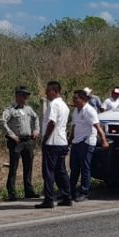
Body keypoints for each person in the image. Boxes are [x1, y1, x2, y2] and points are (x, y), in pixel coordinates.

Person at [0, 86, 41, 201]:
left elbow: (36, 118)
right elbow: (2, 122)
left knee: (28, 166)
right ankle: (12, 193)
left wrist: (36, 130)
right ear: (17, 96)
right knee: (13, 167)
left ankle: (29, 190)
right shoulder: (10, 109)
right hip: (16, 141)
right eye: (22, 95)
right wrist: (11, 135)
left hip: (27, 141)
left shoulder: (28, 109)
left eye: (26, 96)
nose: (25, 98)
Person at [69, 89, 109, 203]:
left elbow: (98, 127)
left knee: (85, 167)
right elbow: (74, 127)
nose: (74, 100)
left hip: (86, 142)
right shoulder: (76, 111)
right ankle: (70, 191)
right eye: (73, 98)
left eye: (76, 98)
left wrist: (104, 140)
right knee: (74, 167)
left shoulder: (90, 111)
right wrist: (69, 140)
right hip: (76, 142)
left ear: (83, 99)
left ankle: (84, 192)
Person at [36, 81, 72, 209]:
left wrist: (45, 138)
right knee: (61, 170)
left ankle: (49, 199)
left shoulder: (54, 104)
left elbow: (52, 122)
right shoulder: (65, 105)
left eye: (48, 90)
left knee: (49, 172)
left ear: (54, 91)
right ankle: (67, 196)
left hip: (52, 142)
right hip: (62, 142)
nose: (46, 93)